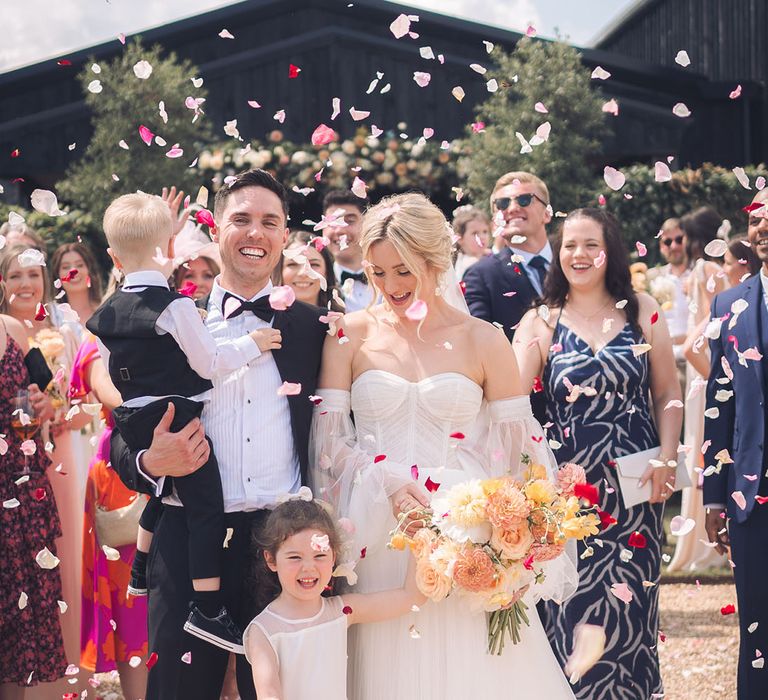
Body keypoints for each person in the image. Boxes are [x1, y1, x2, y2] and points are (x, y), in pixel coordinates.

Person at [310, 192, 577, 700]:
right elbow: (329, 442)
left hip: (467, 531)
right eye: (379, 272)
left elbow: (523, 454)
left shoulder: (483, 340)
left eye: (404, 271)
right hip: (375, 531)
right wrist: (384, 479)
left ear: (436, 262)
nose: (391, 286)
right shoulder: (349, 335)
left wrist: (519, 542)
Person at [108, 170, 328, 700]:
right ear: (217, 230)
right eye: (242, 220)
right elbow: (125, 425)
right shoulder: (169, 320)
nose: (256, 234)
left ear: (284, 236)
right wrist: (150, 461)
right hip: (187, 539)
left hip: (280, 545)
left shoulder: (317, 330)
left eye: (269, 223)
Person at [87, 191, 283, 653]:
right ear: (173, 251)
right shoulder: (177, 308)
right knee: (203, 508)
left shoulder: (102, 314)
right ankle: (208, 609)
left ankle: (139, 566)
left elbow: (119, 379)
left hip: (140, 413)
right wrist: (254, 344)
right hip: (175, 424)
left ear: (112, 257)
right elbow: (211, 362)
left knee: (167, 495)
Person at [513, 208, 682, 699]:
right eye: (569, 245)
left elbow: (667, 392)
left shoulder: (643, 310)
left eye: (591, 244)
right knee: (571, 614)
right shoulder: (542, 320)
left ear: (611, 251)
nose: (579, 255)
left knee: (631, 617)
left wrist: (667, 457)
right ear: (557, 252)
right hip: (569, 498)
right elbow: (512, 405)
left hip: (635, 492)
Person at [0, 243, 91, 700]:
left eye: (32, 275)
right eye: (15, 275)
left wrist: (40, 406)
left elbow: (42, 399)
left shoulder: (16, 334)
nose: (24, 284)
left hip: (23, 477)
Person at [244, 499, 426, 700]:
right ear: (271, 559)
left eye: (319, 556)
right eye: (295, 557)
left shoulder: (341, 611)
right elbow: (269, 695)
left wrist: (420, 534)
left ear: (333, 557)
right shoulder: (264, 630)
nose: (308, 567)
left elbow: (411, 597)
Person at [703, 189, 768, 700]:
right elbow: (719, 402)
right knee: (757, 628)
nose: (762, 219)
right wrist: (714, 493)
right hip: (751, 487)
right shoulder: (728, 303)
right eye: (756, 211)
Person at [72, 335, 149, 700]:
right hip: (121, 470)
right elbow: (108, 392)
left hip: (181, 462)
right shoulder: (96, 341)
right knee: (130, 601)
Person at [0, 313, 67, 699]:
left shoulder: (15, 330)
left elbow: (50, 395)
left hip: (22, 492)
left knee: (19, 623)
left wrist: (41, 402)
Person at [666, 207, 729, 574]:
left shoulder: (700, 271)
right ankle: (706, 545)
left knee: (700, 450)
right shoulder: (711, 271)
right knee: (709, 450)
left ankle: (698, 541)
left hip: (698, 373)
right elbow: (711, 326)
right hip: (708, 369)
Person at [463, 171, 552, 342]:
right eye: (502, 204)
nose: (512, 208)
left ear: (547, 213)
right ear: (495, 220)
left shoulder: (574, 261)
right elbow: (479, 344)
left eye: (524, 199)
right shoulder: (480, 276)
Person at [646, 218, 690, 387]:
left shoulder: (701, 274)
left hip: (694, 360)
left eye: (679, 239)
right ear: (661, 246)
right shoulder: (652, 278)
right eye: (668, 241)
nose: (674, 246)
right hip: (662, 363)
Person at [322, 189, 373, 312]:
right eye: (333, 222)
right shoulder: (315, 283)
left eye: (349, 221)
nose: (339, 230)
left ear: (366, 225)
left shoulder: (391, 276)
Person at [273, 230, 343, 310]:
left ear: (326, 272)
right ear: (279, 270)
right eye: (292, 264)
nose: (303, 273)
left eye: (313, 265)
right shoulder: (261, 321)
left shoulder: (343, 321)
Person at [49, 241, 104, 331]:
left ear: (90, 271)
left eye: (80, 265)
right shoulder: (51, 315)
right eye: (65, 267)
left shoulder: (106, 310)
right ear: (57, 275)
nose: (73, 271)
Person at [451, 205, 491, 278]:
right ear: (459, 238)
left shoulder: (485, 255)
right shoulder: (470, 264)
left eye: (485, 231)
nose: (482, 237)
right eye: (475, 233)